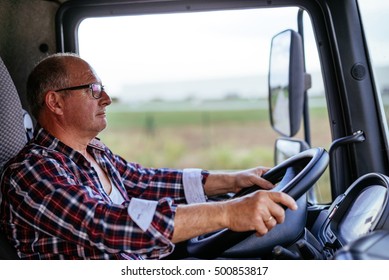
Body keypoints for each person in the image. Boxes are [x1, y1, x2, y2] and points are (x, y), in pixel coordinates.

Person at [0, 53, 297, 260]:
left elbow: (145, 180)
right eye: (93, 90)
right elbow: (106, 224)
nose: (106, 98)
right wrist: (229, 213)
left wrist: (232, 181)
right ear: (55, 102)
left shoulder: (95, 153)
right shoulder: (31, 172)